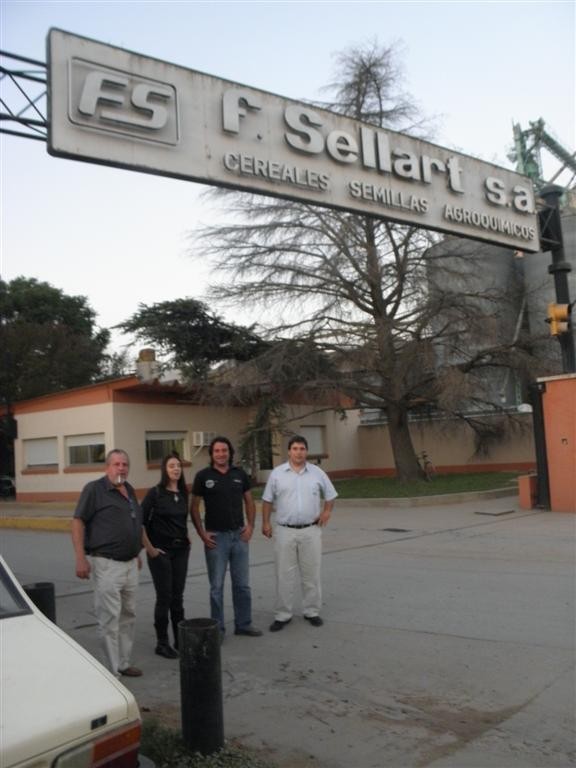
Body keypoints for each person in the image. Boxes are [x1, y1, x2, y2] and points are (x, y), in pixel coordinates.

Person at [71, 449, 143, 677]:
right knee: (109, 618)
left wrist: (136, 552)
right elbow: (78, 522)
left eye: (125, 464)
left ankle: (123, 663)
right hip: (107, 564)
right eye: (116, 464)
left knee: (128, 615)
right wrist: (80, 558)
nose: (121, 468)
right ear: (107, 467)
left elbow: (133, 523)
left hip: (130, 564)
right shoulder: (94, 490)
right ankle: (112, 672)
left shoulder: (129, 490)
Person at [262, 435, 338, 632]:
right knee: (283, 575)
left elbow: (330, 495)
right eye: (295, 448)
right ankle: (282, 614)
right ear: (289, 451)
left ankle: (311, 611)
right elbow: (267, 500)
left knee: (311, 573)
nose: (299, 452)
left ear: (306, 451)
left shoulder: (317, 473)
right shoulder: (277, 474)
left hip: (310, 531)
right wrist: (265, 522)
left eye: (302, 449)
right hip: (285, 531)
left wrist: (327, 512)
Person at [190, 436, 262, 640]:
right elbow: (194, 507)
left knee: (242, 585)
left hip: (239, 536)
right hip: (216, 539)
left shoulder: (239, 474)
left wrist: (250, 526)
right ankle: (218, 629)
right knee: (216, 587)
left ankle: (243, 624)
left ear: (230, 453)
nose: (221, 454)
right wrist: (202, 533)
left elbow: (249, 501)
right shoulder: (203, 476)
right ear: (212, 454)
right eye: (217, 451)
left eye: (224, 450)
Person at [141, 452, 190, 660]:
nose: (176, 469)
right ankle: (162, 643)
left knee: (178, 597)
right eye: (171, 466)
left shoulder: (183, 493)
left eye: (178, 465)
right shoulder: (155, 493)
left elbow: (181, 520)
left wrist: (186, 537)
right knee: (165, 597)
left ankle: (180, 640)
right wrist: (150, 549)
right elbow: (140, 522)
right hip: (161, 553)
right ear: (164, 470)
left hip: (181, 551)